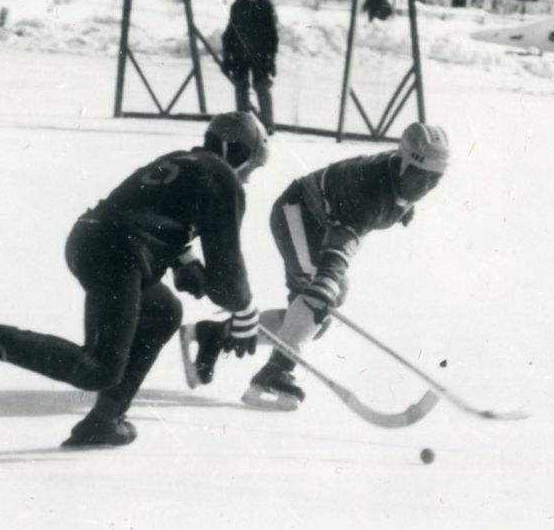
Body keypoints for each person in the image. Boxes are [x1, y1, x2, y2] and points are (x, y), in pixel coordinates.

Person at [0, 111, 270, 446]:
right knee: (99, 370)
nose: (248, 177)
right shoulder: (224, 178)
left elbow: (146, 210)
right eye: (251, 166)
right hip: (120, 255)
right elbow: (228, 281)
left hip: (89, 240)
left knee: (164, 311)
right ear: (236, 151)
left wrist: (183, 259)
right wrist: (245, 309)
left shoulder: (179, 160)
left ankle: (105, 421)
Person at [183, 122, 450, 410]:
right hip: (298, 214)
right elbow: (340, 244)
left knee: (313, 322)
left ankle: (216, 335)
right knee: (324, 297)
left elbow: (398, 194)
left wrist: (405, 207)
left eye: (433, 180)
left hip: (317, 222)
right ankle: (275, 371)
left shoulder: (398, 176)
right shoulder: (370, 190)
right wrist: (326, 284)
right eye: (420, 177)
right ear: (404, 163)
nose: (424, 187)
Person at [222, 0, 279, 135]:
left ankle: (268, 125)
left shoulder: (266, 6)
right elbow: (230, 32)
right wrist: (227, 57)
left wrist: (271, 59)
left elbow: (272, 35)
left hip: (259, 55)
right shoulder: (238, 5)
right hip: (240, 54)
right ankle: (244, 124)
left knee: (262, 88)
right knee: (241, 88)